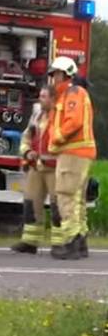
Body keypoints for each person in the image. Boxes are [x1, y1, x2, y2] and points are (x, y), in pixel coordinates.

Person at [46, 56, 96, 260]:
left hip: (74, 153)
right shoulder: (66, 95)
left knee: (66, 196)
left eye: (56, 74)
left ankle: (72, 241)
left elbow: (73, 121)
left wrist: (56, 139)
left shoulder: (73, 93)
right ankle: (80, 241)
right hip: (76, 153)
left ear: (66, 74)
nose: (53, 78)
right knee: (76, 199)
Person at [11, 88, 59, 255]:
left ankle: (59, 244)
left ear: (53, 98)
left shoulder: (59, 117)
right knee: (31, 203)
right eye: (40, 96)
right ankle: (30, 242)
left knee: (57, 206)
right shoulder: (37, 116)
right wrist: (26, 152)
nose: (40, 99)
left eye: (44, 96)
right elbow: (26, 137)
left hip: (54, 167)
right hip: (36, 167)